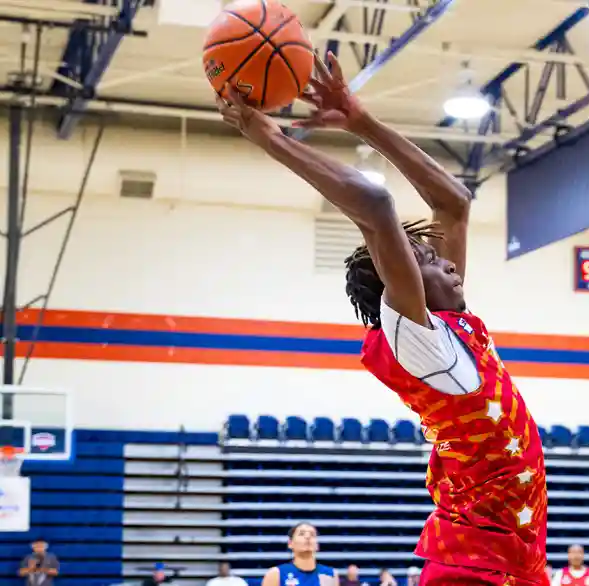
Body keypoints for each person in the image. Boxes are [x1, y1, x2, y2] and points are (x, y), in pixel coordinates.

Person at [217, 53, 546, 586]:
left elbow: (455, 203)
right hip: (471, 569)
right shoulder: (419, 343)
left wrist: (361, 119)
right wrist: (271, 138)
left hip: (517, 561)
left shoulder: (456, 327)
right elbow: (375, 203)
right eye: (423, 261)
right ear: (402, 289)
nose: (444, 260)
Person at [260, 523, 336, 586]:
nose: (307, 537)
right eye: (301, 534)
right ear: (290, 543)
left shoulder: (330, 574)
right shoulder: (276, 574)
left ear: (317, 545)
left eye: (312, 534)